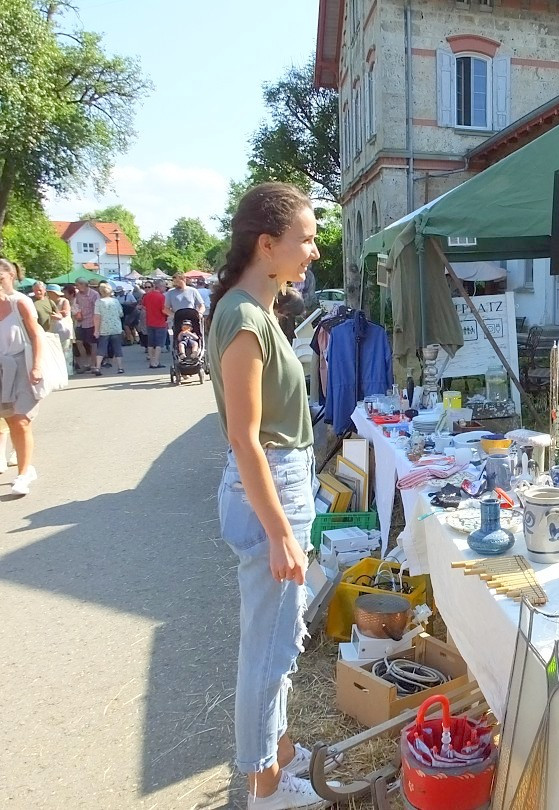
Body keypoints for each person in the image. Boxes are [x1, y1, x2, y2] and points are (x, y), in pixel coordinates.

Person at [207, 182, 332, 810]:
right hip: (271, 489)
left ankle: (277, 753)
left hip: (277, 484)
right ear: (267, 244)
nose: (313, 250)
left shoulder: (251, 310)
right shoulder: (244, 317)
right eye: (304, 238)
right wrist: (281, 530)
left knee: (276, 636)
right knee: (270, 649)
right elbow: (245, 438)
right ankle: (266, 786)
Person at [0, 258, 43, 496]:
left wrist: (36, 366)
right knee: (7, 420)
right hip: (0, 368)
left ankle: (24, 473)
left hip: (21, 364)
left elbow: (37, 335)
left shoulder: (21, 302)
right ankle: (24, 466)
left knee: (20, 419)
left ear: (11, 277)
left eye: (1, 279)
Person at [93, 282, 125, 375]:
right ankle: (120, 367)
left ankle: (98, 367)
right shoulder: (115, 301)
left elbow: (97, 317)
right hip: (116, 327)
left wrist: (96, 330)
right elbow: (121, 313)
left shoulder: (99, 302)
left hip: (104, 328)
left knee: (101, 348)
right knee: (117, 348)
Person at [72, 278, 99, 373]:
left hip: (91, 322)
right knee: (79, 342)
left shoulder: (94, 295)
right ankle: (85, 364)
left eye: (78, 285)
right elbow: (76, 306)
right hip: (80, 322)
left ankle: (93, 365)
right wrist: (77, 314)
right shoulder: (78, 295)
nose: (76, 287)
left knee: (93, 344)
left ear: (83, 284)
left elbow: (97, 309)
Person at [142, 280, 169, 368]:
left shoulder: (147, 296)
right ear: (159, 286)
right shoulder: (162, 297)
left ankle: (151, 361)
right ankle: (156, 361)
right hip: (160, 322)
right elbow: (163, 310)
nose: (165, 288)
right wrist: (172, 314)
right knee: (159, 344)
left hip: (149, 322)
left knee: (151, 343)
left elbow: (144, 307)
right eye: (164, 286)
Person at [46, 284, 74, 369]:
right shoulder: (48, 301)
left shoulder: (64, 301)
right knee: (55, 351)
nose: (47, 294)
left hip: (65, 330)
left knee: (66, 351)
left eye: (49, 292)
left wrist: (53, 314)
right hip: (53, 330)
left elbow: (65, 312)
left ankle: (67, 371)